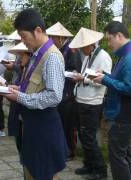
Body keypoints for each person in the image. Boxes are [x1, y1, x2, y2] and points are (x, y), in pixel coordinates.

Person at [2, 8, 68, 180]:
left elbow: (54, 96)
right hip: (33, 125)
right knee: (31, 170)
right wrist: (18, 89)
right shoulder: (37, 54)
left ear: (38, 30)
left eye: (24, 36)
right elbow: (35, 87)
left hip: (43, 127)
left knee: (42, 173)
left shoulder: (51, 56)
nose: (23, 42)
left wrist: (20, 97)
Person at [92, 21, 131, 180]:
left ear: (120, 36)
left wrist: (105, 80)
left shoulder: (130, 58)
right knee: (123, 155)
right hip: (124, 114)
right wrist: (106, 76)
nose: (108, 44)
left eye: (110, 39)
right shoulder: (127, 55)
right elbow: (122, 82)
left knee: (117, 157)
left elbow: (130, 89)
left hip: (124, 115)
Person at [69, 27, 112, 180]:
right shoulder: (88, 56)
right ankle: (89, 164)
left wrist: (83, 79)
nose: (81, 49)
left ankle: (100, 169)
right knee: (83, 134)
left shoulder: (104, 57)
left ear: (91, 44)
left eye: (83, 46)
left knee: (89, 136)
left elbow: (104, 82)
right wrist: (80, 77)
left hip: (93, 102)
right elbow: (88, 75)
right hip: (82, 99)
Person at [46, 22, 82, 161]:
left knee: (68, 124)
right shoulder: (59, 50)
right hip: (60, 91)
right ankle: (62, 149)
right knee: (60, 122)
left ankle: (70, 151)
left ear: (60, 38)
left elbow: (74, 71)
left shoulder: (71, 50)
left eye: (53, 38)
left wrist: (61, 72)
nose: (51, 40)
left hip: (68, 92)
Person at [4, 42, 31, 154]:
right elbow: (22, 85)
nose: (20, 58)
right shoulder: (24, 69)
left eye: (22, 55)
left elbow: (28, 88)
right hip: (18, 104)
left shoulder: (31, 70)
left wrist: (16, 89)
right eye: (19, 55)